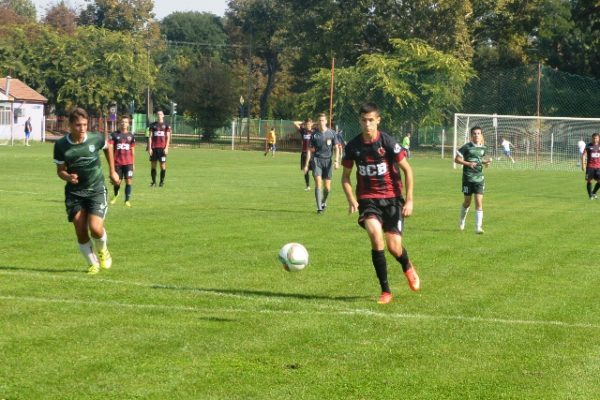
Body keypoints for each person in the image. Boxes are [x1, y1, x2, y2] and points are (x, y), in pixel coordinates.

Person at [341, 103, 420, 304]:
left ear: (378, 120)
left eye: (371, 120)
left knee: (394, 247)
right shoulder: (353, 146)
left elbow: (408, 170)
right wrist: (351, 199)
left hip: (392, 199)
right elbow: (345, 177)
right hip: (368, 200)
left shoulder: (388, 142)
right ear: (359, 121)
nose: (367, 125)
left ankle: (407, 266)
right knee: (376, 237)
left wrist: (409, 199)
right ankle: (386, 291)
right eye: (363, 120)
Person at [53, 107, 120, 275]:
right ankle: (93, 264)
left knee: (96, 229)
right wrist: (68, 177)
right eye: (78, 125)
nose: (82, 128)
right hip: (75, 194)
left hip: (96, 189)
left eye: (84, 125)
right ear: (70, 125)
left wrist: (112, 171)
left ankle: (103, 250)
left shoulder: (94, 139)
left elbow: (107, 147)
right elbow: (60, 170)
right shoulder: (61, 145)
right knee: (80, 230)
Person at [455, 126, 491, 234]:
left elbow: (480, 160)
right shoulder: (467, 147)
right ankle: (462, 221)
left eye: (478, 133)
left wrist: (485, 163)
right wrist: (468, 163)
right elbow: (456, 159)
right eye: (474, 133)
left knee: (479, 202)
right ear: (471, 135)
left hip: (479, 178)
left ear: (481, 135)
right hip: (468, 178)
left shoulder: (484, 148)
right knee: (467, 202)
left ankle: (478, 227)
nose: (477, 135)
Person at [303, 113, 340, 214]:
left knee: (327, 188)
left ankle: (323, 202)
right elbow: (310, 150)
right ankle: (319, 208)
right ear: (317, 122)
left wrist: (336, 161)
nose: (321, 122)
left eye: (323, 120)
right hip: (316, 161)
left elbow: (337, 148)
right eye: (319, 120)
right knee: (318, 183)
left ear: (326, 121)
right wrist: (306, 165)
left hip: (328, 162)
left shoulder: (332, 133)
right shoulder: (314, 135)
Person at [109, 115, 136, 207]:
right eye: (122, 122)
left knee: (128, 181)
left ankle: (127, 200)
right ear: (119, 123)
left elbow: (133, 151)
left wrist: (133, 164)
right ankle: (116, 194)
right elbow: (110, 149)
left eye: (125, 122)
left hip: (128, 163)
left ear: (128, 124)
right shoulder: (114, 135)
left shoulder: (131, 136)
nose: (124, 124)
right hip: (118, 162)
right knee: (117, 182)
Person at [147, 110, 171, 187]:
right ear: (156, 116)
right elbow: (150, 137)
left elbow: (168, 137)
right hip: (154, 148)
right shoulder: (152, 125)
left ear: (163, 115)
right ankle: (153, 182)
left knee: (162, 166)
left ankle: (161, 182)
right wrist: (150, 148)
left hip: (162, 148)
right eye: (157, 114)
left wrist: (167, 148)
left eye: (160, 114)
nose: (159, 115)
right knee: (153, 166)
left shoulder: (166, 125)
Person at [294, 119, 313, 191]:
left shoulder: (314, 131)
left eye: (309, 124)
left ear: (311, 124)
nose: (308, 125)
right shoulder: (303, 131)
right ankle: (308, 186)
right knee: (306, 170)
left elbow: (319, 124)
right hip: (304, 153)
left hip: (312, 153)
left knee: (315, 170)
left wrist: (313, 123)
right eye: (307, 124)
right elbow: (295, 123)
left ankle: (318, 184)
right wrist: (303, 122)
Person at [582, 133, 600, 200]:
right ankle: (590, 195)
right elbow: (584, 155)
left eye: (596, 138)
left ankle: (594, 192)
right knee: (589, 181)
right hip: (590, 167)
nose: (595, 140)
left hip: (598, 167)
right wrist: (583, 164)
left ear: (598, 139)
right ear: (592, 138)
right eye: (594, 138)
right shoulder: (588, 146)